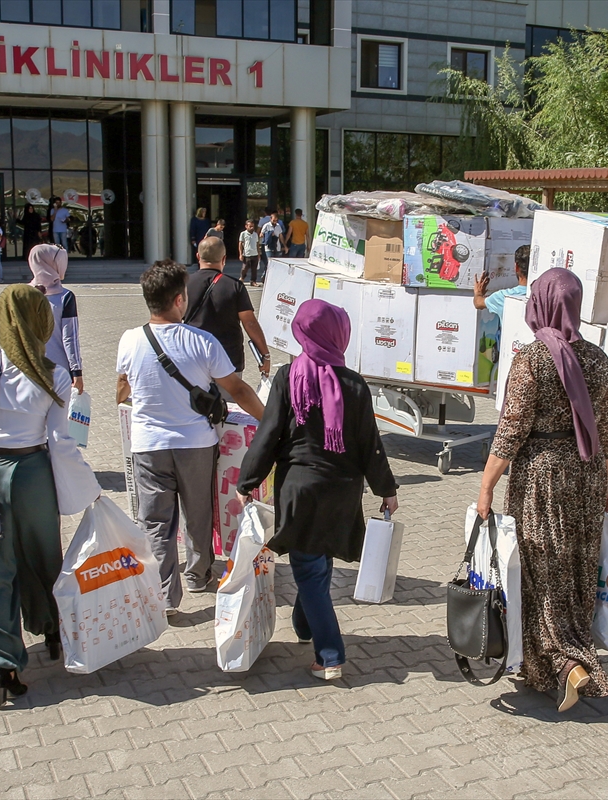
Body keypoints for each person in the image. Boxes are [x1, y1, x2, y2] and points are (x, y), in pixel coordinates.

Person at [0, 285, 100, 706]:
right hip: (31, 475)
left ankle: (2, 664)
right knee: (41, 555)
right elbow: (59, 442)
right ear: (40, 321)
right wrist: (89, 491)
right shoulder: (53, 374)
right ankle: (51, 629)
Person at [475, 267, 608, 712]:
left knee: (542, 571)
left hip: (542, 477)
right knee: (575, 571)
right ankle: (554, 662)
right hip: (586, 476)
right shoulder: (600, 360)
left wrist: (485, 488)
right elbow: (606, 434)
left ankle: (566, 663)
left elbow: (509, 434)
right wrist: (606, 485)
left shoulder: (533, 359)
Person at [236, 300, 399, 680]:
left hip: (300, 490)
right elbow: (369, 443)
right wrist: (386, 488)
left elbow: (269, 434)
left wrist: (248, 481)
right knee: (316, 561)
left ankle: (330, 655)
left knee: (309, 568)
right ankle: (306, 625)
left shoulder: (288, 376)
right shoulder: (355, 383)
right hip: (342, 491)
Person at [115, 261, 265, 613]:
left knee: (154, 522)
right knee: (197, 514)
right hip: (196, 444)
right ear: (179, 299)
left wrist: (126, 397)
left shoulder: (129, 339)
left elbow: (122, 388)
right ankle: (198, 576)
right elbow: (238, 389)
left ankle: (165, 595)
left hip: (148, 446)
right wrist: (269, 420)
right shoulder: (202, 342)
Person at [185, 237, 271, 387]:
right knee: (228, 407)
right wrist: (265, 354)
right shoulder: (235, 286)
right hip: (229, 360)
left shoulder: (184, 285)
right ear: (224, 259)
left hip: (193, 358)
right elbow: (249, 322)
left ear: (198, 256)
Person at [28, 244, 84, 393]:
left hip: (27, 370)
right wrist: (76, 371)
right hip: (58, 372)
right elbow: (70, 339)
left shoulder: (22, 294)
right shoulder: (65, 297)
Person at [473, 244, 530, 320]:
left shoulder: (503, 297)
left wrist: (479, 293)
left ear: (516, 267)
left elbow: (478, 303)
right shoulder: (546, 294)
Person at [239, 219, 261, 286]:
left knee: (254, 269)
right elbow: (240, 244)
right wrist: (240, 254)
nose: (252, 228)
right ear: (246, 226)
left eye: (253, 226)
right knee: (245, 268)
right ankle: (242, 278)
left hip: (254, 253)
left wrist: (258, 254)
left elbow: (257, 244)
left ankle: (253, 281)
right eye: (250, 226)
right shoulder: (243, 234)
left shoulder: (255, 234)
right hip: (247, 254)